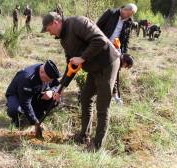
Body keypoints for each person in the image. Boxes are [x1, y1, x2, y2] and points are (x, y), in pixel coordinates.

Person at [41, 12, 120, 150]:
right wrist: (60, 89)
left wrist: (82, 58)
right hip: (94, 68)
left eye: (48, 30)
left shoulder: (78, 22)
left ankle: (97, 145)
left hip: (107, 63)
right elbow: (71, 66)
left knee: (102, 106)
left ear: (55, 23)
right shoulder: (63, 39)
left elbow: (99, 40)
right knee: (85, 98)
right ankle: (84, 136)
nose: (49, 34)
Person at [6, 60, 61, 132]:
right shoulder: (27, 77)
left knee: (55, 99)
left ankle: (37, 115)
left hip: (35, 94)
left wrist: (52, 91)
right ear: (41, 72)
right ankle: (17, 120)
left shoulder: (48, 72)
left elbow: (57, 85)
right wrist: (35, 122)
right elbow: (25, 103)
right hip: (18, 95)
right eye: (47, 80)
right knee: (15, 110)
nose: (49, 82)